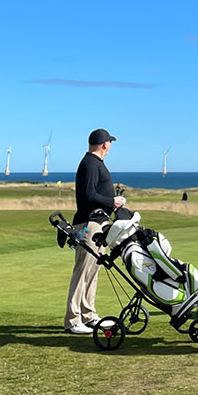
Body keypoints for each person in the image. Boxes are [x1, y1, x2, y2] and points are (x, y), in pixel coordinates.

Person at [63, 128, 126, 334]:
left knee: (93, 271)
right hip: (89, 224)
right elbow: (88, 195)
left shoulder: (95, 163)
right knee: (82, 271)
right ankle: (73, 320)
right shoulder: (89, 164)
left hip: (99, 225)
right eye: (110, 143)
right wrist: (112, 201)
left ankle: (88, 315)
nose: (110, 147)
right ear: (105, 144)